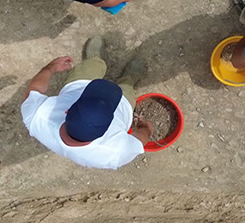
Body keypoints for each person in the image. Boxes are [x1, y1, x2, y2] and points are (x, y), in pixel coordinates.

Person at [21, 37, 152, 170]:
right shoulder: (115, 154)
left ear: (67, 111)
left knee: (92, 67)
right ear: (107, 130)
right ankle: (130, 77)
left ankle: (95, 60)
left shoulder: (38, 116)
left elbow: (33, 90)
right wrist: (145, 128)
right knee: (126, 88)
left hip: (79, 85)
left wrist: (50, 68)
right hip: (122, 105)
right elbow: (140, 140)